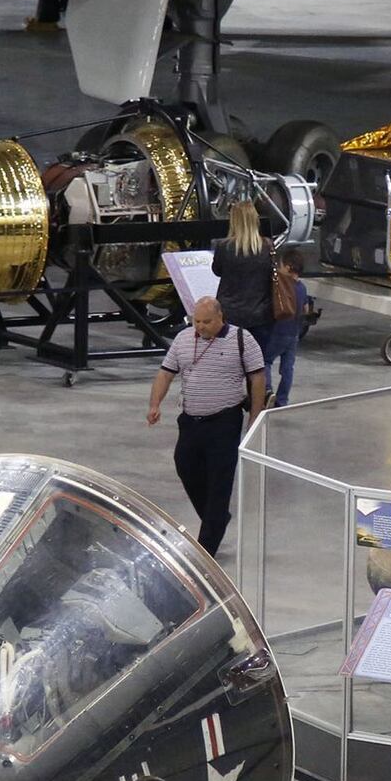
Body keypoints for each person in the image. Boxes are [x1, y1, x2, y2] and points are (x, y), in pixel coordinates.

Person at [147, 296, 265, 557]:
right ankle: (218, 518)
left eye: (206, 321)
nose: (200, 326)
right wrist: (155, 404)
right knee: (185, 465)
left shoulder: (241, 340)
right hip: (190, 421)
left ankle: (206, 549)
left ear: (220, 317)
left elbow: (257, 378)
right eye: (196, 321)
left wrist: (255, 418)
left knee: (219, 482)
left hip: (224, 422)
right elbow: (166, 372)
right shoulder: (183, 339)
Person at [211, 200, 276, 356]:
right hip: (260, 314)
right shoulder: (267, 246)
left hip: (230, 314)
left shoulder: (224, 246)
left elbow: (217, 270)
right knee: (259, 364)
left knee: (229, 364)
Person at [263, 250, 307, 407]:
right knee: (288, 368)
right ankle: (282, 400)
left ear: (288, 267)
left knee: (265, 361)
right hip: (294, 333)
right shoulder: (302, 288)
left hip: (279, 331)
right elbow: (305, 309)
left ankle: (267, 391)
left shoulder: (284, 287)